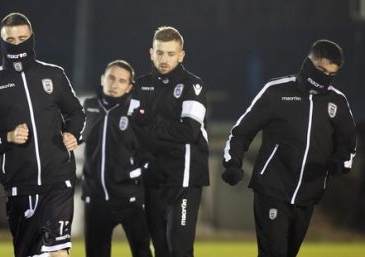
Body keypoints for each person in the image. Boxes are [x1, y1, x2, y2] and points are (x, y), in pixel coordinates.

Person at [222, 39, 357, 257]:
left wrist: (339, 162)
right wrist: (232, 162)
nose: (325, 78)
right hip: (272, 189)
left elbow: (348, 143)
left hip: (308, 195)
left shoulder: (338, 102)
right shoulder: (277, 91)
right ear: (309, 62)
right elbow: (242, 131)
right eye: (321, 70)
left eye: (332, 74)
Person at [0, 12, 85, 257]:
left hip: (58, 181)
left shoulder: (54, 74)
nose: (17, 43)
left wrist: (72, 132)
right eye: (11, 39)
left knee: (58, 252)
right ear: (2, 41)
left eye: (22, 37)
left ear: (32, 37)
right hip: (21, 187)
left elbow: (76, 113)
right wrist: (6, 137)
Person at [130, 26, 209, 257]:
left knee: (179, 249)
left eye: (171, 54)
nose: (164, 59)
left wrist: (149, 122)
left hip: (183, 179)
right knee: (162, 249)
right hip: (151, 178)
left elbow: (189, 132)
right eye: (160, 52)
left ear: (181, 55)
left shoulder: (193, 85)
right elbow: (131, 129)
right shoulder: (140, 86)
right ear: (151, 53)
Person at [82, 60, 152, 257]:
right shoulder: (88, 108)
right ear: (103, 79)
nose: (115, 84)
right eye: (111, 77)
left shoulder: (136, 114)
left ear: (129, 87)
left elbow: (150, 159)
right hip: (95, 199)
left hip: (129, 198)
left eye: (122, 81)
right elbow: (69, 139)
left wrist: (129, 173)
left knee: (142, 251)